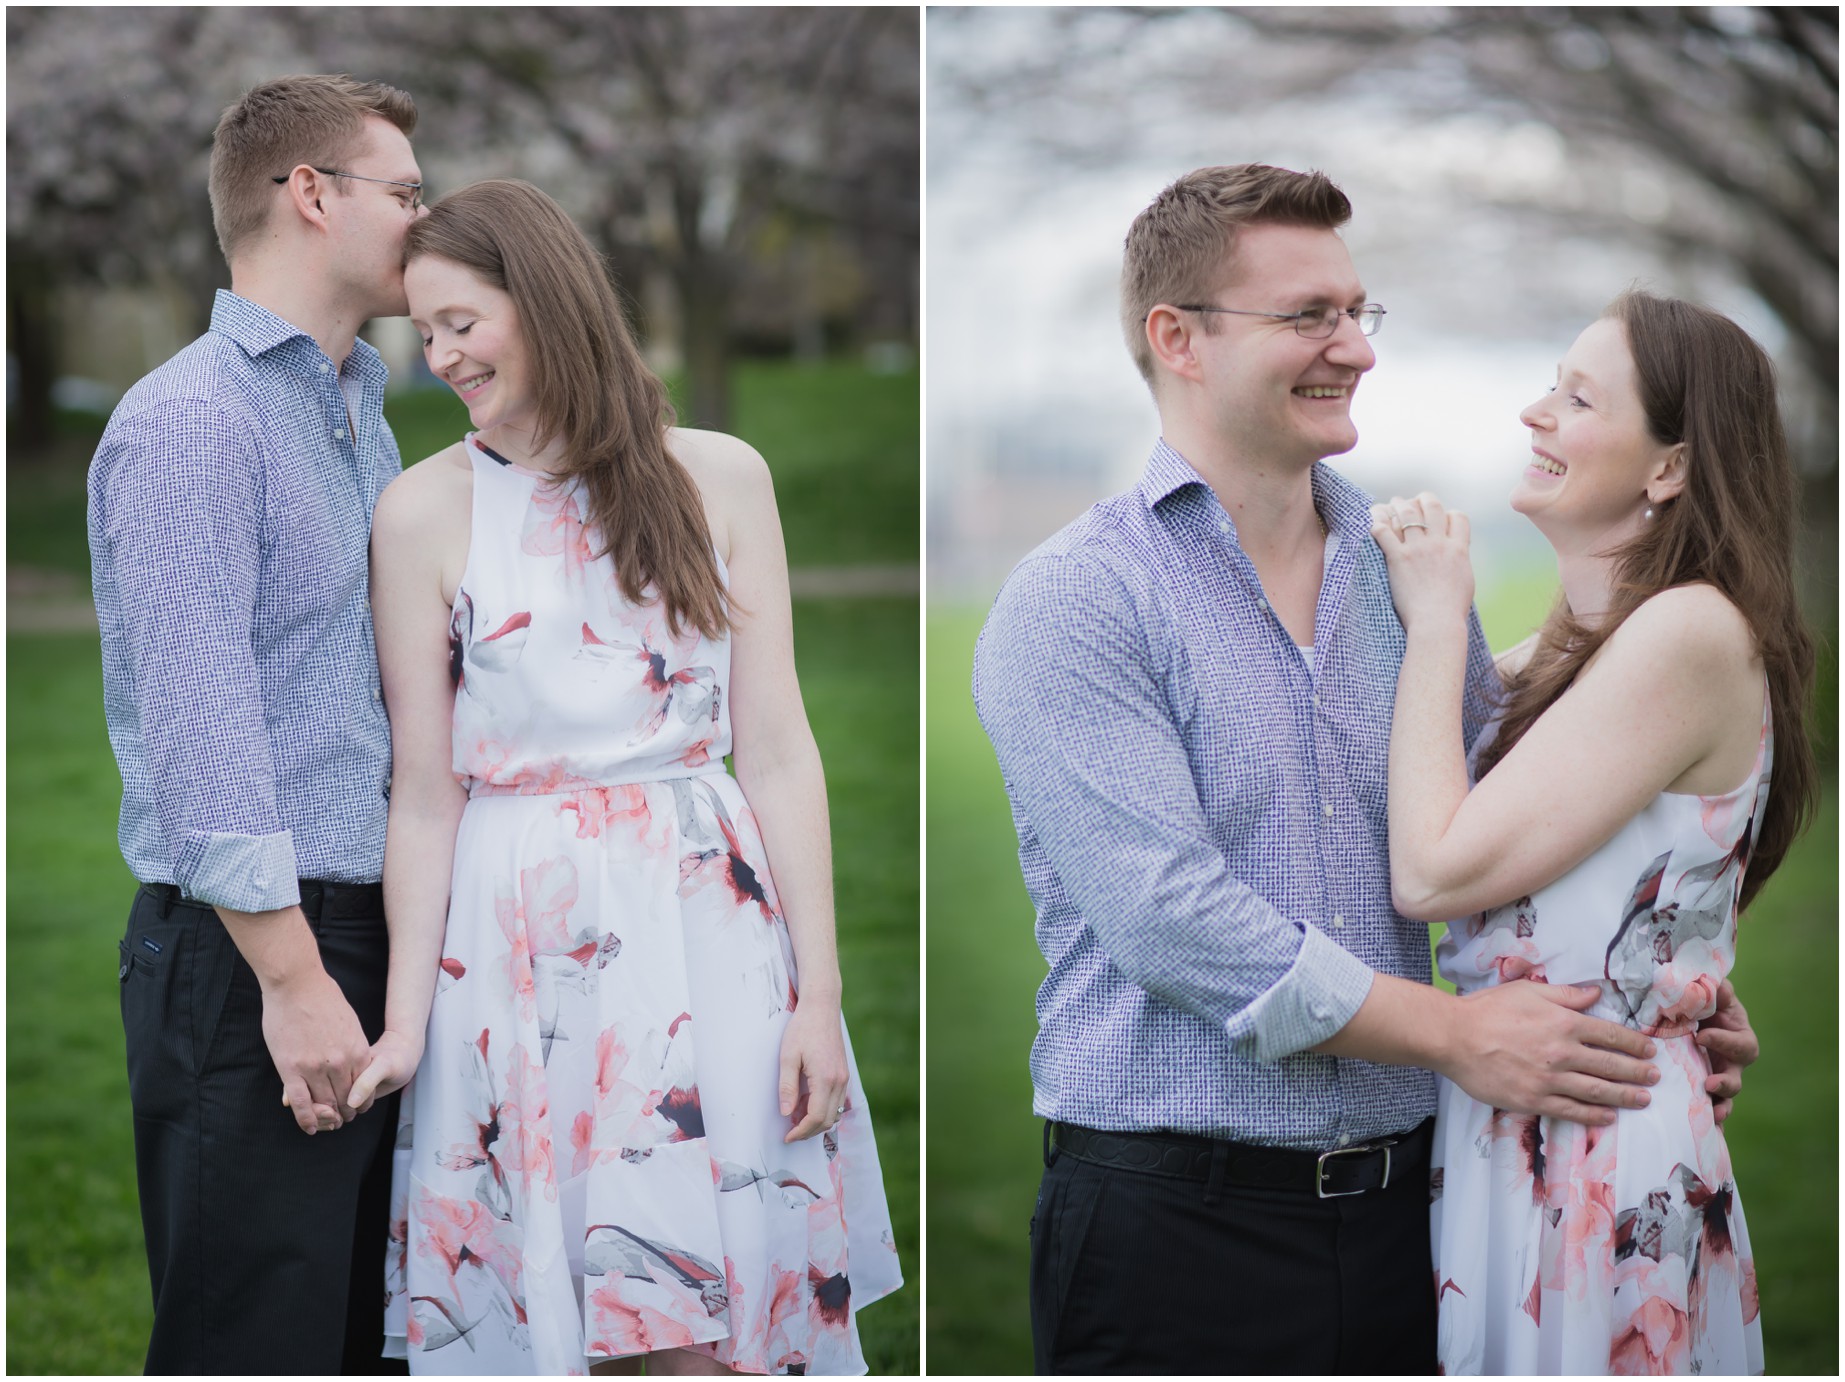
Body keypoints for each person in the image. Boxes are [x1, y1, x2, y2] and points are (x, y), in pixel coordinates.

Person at [970, 164, 1760, 1375]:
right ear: (1177, 338)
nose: (1355, 349)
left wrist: (1657, 983)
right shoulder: (1080, 597)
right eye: (1308, 318)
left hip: (1420, 1222)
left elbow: (1534, 817)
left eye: (1358, 312)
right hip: (1182, 1228)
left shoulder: (1404, 580)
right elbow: (1173, 921)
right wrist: (1455, 1033)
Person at [341, 179, 901, 1375]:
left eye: (461, 321)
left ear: (544, 301)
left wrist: (817, 993)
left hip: (709, 927)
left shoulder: (721, 476)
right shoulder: (420, 512)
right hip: (519, 947)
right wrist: (404, 1019)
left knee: (719, 1325)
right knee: (571, 1323)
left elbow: (782, 745)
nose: (438, 355)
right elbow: (427, 792)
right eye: (422, 331)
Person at [1371, 290, 1812, 1374]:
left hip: (1595, 1144)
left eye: (1576, 396)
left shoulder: (1690, 629)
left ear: (1669, 467)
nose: (1536, 413)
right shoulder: (1580, 645)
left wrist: (1436, 615)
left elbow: (1433, 866)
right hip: (1518, 1118)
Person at [87, 74, 427, 1373]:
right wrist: (293, 981)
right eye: (404, 192)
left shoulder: (359, 409)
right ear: (310, 195)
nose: (424, 216)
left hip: (377, 931)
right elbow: (200, 726)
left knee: (373, 1339)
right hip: (257, 955)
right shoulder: (194, 418)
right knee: (260, 1343)